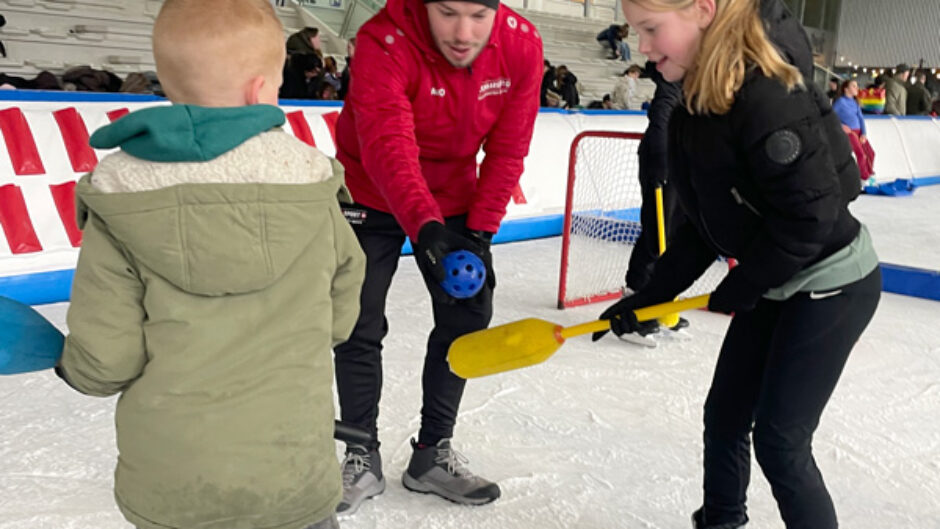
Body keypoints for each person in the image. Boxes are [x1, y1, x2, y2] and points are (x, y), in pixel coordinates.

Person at [54, 1, 366, 528]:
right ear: (259, 90)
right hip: (292, 471)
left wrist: (74, 368)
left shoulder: (122, 198)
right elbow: (340, 306)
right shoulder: (312, 187)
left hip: (175, 487)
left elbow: (108, 359)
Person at [596, 1, 881, 528]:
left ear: (703, 11)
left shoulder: (766, 94)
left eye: (652, 29)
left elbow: (812, 217)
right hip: (776, 276)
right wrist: (650, 298)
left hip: (832, 281)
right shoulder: (697, 101)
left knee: (779, 440)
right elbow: (704, 227)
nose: (643, 47)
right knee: (725, 416)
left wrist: (745, 283)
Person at [333, 0, 542, 515]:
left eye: (478, 14)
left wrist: (481, 234)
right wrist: (423, 227)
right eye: (448, 12)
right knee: (357, 318)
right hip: (371, 190)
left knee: (468, 315)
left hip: (454, 195)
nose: (464, 32)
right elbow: (388, 144)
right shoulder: (383, 41)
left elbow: (508, 150)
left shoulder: (522, 45)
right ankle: (361, 452)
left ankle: (431, 456)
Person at [620, 59, 686, 340]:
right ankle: (634, 300)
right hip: (660, 161)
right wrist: (660, 161)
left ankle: (658, 302)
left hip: (682, 162)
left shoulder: (701, 77)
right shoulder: (675, 77)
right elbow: (661, 116)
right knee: (656, 230)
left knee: (674, 233)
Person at [833, 79, 875, 181]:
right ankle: (863, 177)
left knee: (870, 153)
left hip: (859, 132)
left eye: (857, 86)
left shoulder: (855, 103)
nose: (857, 88)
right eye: (854, 86)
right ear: (846, 89)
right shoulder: (840, 102)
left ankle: (869, 174)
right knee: (861, 154)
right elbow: (831, 116)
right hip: (850, 133)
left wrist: (864, 133)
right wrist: (841, 125)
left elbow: (860, 118)